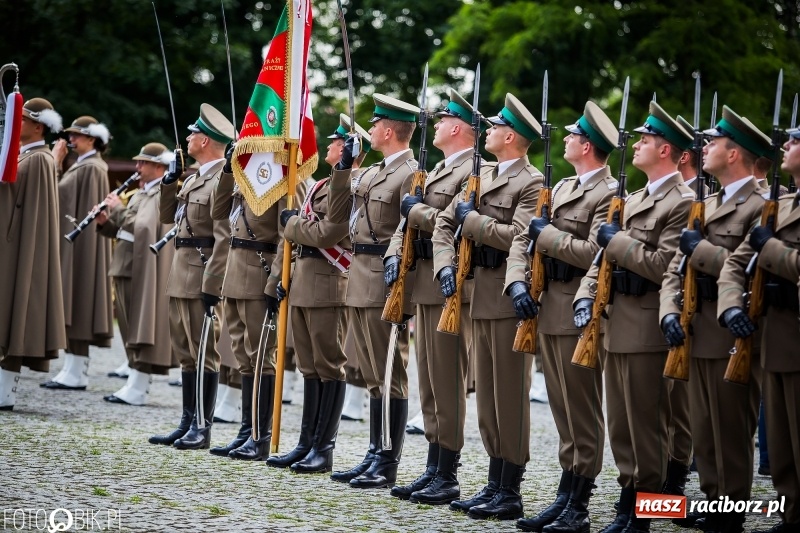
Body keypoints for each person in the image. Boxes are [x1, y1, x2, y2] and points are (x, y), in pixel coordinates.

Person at [573, 102, 694, 533]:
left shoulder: (682, 202)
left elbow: (667, 266)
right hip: (616, 321)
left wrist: (619, 242)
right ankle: (628, 504)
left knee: (648, 425)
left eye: (645, 141)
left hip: (647, 322)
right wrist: (586, 296)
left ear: (666, 151)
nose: (637, 145)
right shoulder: (634, 197)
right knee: (622, 425)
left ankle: (646, 514)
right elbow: (599, 262)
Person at [433, 93, 543, 520]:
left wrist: (472, 221)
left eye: (495, 127)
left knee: (510, 395)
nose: (488, 132)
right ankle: (494, 481)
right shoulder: (482, 174)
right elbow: (445, 222)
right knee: (488, 399)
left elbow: (518, 235)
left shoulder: (532, 182)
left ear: (510, 136)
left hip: (506, 294)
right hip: (478, 292)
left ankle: (510, 487)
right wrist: (446, 265)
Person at [660, 106, 770, 532]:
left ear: (734, 154)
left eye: (714, 143)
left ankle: (731, 512)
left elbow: (752, 268)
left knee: (730, 428)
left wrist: (699, 250)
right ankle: (711, 501)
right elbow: (675, 267)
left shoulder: (761, 206)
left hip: (731, 329)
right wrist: (669, 310)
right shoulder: (705, 203)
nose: (703, 148)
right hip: (695, 324)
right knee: (703, 430)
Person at [511, 100, 618, 532]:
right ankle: (565, 493)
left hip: (579, 307)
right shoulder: (567, 187)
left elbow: (596, 253)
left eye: (574, 135)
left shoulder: (607, 192)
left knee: (582, 409)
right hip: (550, 304)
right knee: (561, 409)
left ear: (588, 145)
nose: (567, 139)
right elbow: (527, 241)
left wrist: (548, 235)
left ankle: (580, 503)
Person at [385, 89, 483, 505]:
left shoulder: (474, 170)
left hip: (451, 284)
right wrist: (394, 253)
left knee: (446, 380)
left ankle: (448, 471)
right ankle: (433, 466)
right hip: (425, 282)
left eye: (443, 120)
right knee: (428, 382)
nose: (436, 125)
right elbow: (406, 226)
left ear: (458, 127)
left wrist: (415, 210)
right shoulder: (440, 168)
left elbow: (453, 222)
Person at [326, 93, 419, 489]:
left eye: (377, 121)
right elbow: (337, 213)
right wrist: (344, 169)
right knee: (369, 372)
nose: (372, 126)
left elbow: (409, 236)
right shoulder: (374, 171)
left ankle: (387, 459)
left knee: (388, 372)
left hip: (385, 277)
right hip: (360, 275)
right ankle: (372, 451)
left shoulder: (411, 174)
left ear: (387, 129)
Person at [267, 113, 367, 473]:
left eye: (336, 142)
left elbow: (329, 232)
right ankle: (306, 442)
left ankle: (324, 448)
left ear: (349, 150)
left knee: (329, 366)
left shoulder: (350, 184)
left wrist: (293, 224)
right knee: (309, 366)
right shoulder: (321, 184)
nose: (328, 146)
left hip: (328, 283)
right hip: (305, 282)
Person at [717, 126, 800, 533]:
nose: (786, 146)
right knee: (781, 447)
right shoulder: (780, 207)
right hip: (774, 339)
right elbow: (736, 263)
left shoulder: (773, 207)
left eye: (796, 141)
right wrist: (732, 307)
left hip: (794, 336)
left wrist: (771, 249)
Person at [208, 124, 307, 462]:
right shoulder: (247, 171)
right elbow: (218, 211)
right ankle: (245, 429)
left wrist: (276, 279)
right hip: (235, 273)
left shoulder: (286, 174)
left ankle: (259, 435)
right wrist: (226, 167)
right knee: (242, 356)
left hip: (259, 273)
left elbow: (287, 234)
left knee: (261, 354)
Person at [148, 104, 233, 450]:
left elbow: (224, 237)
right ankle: (186, 421)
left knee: (204, 353)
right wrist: (169, 183)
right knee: (185, 351)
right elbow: (169, 217)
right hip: (181, 270)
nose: (188, 138)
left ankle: (202, 425)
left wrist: (212, 283)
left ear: (208, 140)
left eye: (194, 133)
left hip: (201, 273)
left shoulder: (222, 180)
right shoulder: (195, 177)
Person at [96, 143, 176, 406]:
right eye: (138, 162)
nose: (138, 168)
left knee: (136, 326)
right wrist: (105, 223)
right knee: (128, 328)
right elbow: (125, 230)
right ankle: (134, 379)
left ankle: (139, 385)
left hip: (137, 267)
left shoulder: (159, 194)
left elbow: (142, 227)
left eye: (144, 163)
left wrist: (117, 209)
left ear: (159, 166)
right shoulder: (142, 193)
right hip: (124, 263)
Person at [0, 98, 66, 409]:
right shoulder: (28, 155)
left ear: (37, 125)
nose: (16, 125)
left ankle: (5, 393)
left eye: (22, 120)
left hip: (17, 249)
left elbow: (24, 207)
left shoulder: (39, 159)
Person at [42, 116, 114, 390]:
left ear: (92, 139)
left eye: (76, 136)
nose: (70, 140)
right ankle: (73, 369)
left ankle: (77, 371)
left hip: (82, 248)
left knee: (79, 303)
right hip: (75, 244)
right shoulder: (84, 165)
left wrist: (55, 163)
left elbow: (58, 198)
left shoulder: (93, 168)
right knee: (72, 304)